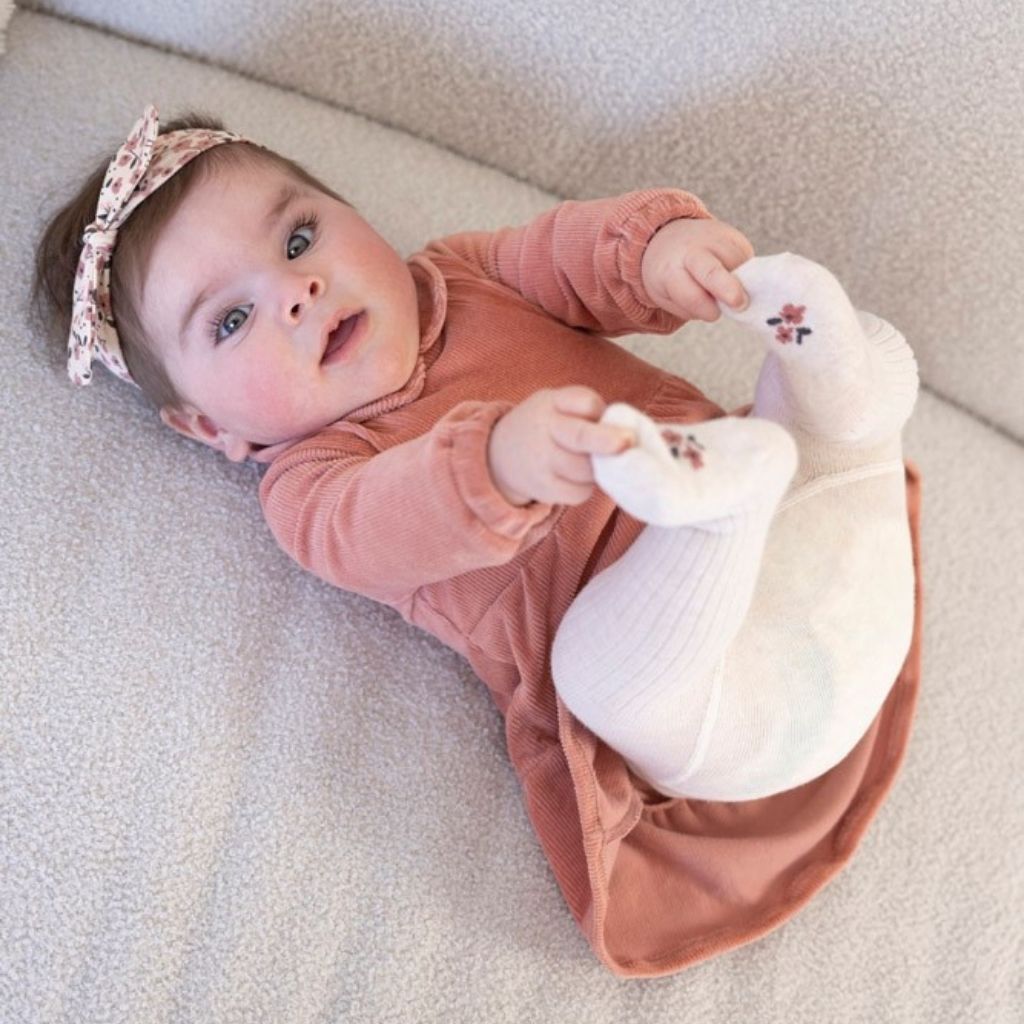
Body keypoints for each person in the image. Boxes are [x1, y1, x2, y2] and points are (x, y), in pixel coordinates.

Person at [32, 105, 924, 976]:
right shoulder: (312, 487)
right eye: (231, 320)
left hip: (828, 560)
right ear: (207, 427)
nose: (296, 291)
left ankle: (843, 403)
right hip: (727, 712)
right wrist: (497, 462)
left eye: (299, 238)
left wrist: (656, 253)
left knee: (819, 407)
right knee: (594, 675)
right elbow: (386, 521)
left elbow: (570, 255)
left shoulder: (463, 273)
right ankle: (725, 506)